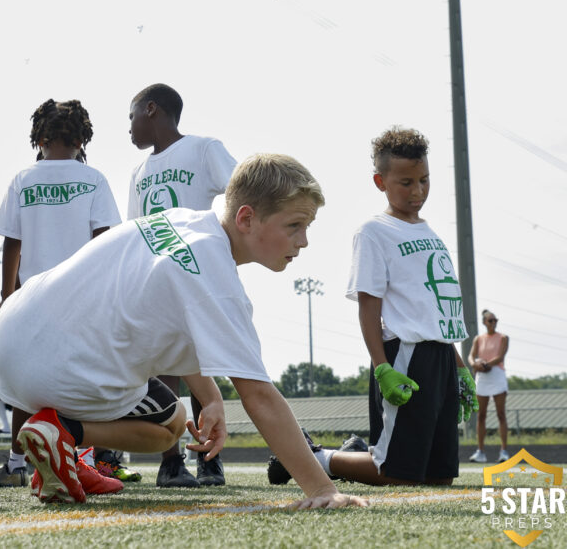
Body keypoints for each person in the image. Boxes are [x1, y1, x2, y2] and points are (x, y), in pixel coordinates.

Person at [0, 154, 366, 509]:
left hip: (12, 333)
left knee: (129, 370)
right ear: (247, 219)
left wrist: (213, 399)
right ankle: (63, 431)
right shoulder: (216, 279)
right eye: (294, 225)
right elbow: (260, 396)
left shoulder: (181, 219)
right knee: (169, 428)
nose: (303, 241)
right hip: (53, 368)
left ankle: (61, 460)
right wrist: (322, 489)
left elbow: (172, 325)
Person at [270, 127, 479, 487]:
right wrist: (382, 367)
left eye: (424, 180)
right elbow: (369, 307)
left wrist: (458, 366)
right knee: (397, 475)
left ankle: (354, 450)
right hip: (405, 357)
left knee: (440, 476)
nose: (417, 191)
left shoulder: (430, 232)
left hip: (441, 358)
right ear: (380, 181)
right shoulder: (374, 231)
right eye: (406, 182)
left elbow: (436, 311)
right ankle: (315, 457)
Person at [0, 99, 121, 490]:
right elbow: (105, 240)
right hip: (81, 296)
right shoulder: (94, 178)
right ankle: (79, 460)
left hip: (30, 296)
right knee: (82, 379)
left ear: (40, 137)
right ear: (83, 139)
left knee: (25, 383)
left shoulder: (22, 179)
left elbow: (11, 244)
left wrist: (5, 294)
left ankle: (16, 462)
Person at [122, 83, 237, 488]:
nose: (130, 127)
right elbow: (134, 230)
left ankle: (210, 455)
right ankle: (170, 462)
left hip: (196, 273)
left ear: (151, 109)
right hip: (155, 278)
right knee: (162, 366)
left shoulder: (204, 148)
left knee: (201, 363)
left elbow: (238, 192)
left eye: (132, 115)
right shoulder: (138, 172)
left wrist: (222, 246)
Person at [468, 309, 510, 463]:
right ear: (484, 322)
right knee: (481, 415)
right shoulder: (478, 339)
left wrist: (485, 364)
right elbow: (471, 356)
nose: (493, 323)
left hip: (497, 374)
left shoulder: (503, 338)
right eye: (490, 320)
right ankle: (480, 452)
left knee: (501, 414)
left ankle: (504, 451)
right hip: (482, 377)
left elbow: (500, 356)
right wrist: (475, 365)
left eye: (495, 320)